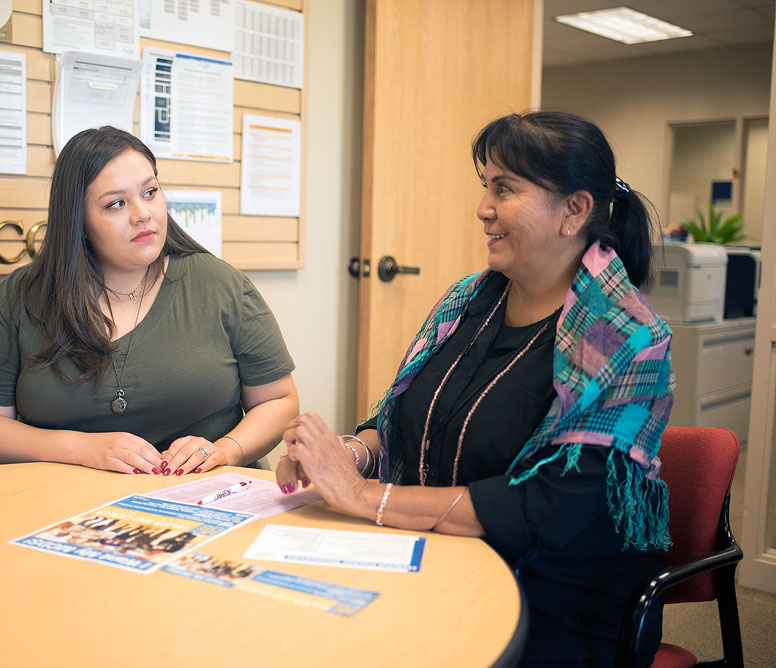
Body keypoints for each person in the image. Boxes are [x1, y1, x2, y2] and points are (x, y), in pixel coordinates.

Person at [277, 111, 674, 667]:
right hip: (433, 557)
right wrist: (350, 455)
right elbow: (400, 417)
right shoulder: (467, 299)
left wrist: (364, 496)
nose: (483, 208)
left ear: (574, 211)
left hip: (550, 602)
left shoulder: (628, 340)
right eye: (486, 186)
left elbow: (545, 508)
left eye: (505, 189)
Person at [0, 125, 298, 477]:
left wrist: (225, 451)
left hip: (207, 497)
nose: (142, 214)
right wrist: (81, 447)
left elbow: (279, 400)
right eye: (116, 203)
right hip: (64, 508)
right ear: (79, 220)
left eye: (150, 192)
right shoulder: (21, 298)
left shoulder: (222, 284)